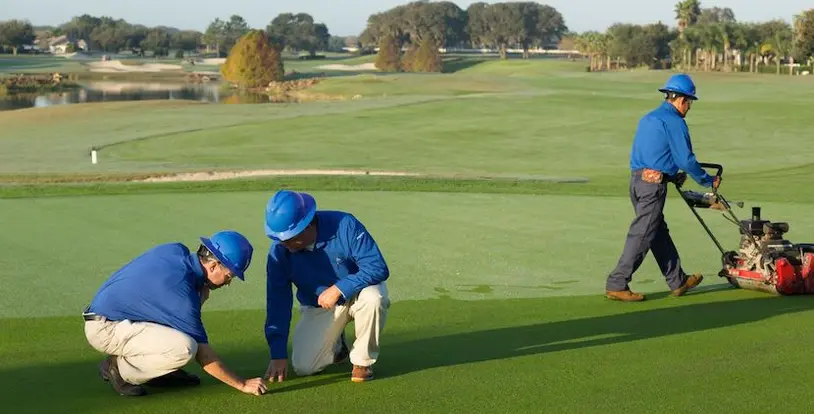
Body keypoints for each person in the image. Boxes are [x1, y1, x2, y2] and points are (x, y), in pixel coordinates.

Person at [82, 230, 268, 397]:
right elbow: (204, 355)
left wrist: (196, 295)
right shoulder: (183, 296)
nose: (228, 282)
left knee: (179, 332)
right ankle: (119, 369)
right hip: (105, 329)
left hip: (115, 317)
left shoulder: (175, 250)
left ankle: (160, 371)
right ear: (213, 266)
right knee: (186, 348)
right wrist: (242, 384)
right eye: (229, 276)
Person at [605, 73, 721, 302]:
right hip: (652, 188)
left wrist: (670, 176)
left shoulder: (649, 118)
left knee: (657, 232)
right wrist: (708, 181)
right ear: (681, 100)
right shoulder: (675, 122)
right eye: (690, 103)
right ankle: (617, 283)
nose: (689, 108)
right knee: (642, 234)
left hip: (637, 182)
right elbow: (686, 160)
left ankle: (677, 280)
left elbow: (652, 155)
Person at [262, 190, 390, 383]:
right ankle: (338, 346)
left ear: (307, 226)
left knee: (374, 297)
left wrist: (339, 288)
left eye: (289, 238)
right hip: (319, 307)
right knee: (304, 367)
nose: (283, 244)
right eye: (280, 238)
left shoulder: (345, 224)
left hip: (357, 294)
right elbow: (277, 304)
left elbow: (377, 267)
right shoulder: (280, 253)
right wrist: (277, 354)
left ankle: (362, 362)